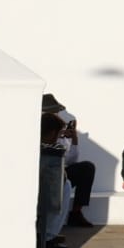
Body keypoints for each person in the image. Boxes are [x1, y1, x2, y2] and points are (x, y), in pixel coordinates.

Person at [43, 93, 97, 228]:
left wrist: (73, 140)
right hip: (44, 170)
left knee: (87, 168)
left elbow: (71, 159)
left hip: (60, 168)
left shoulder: (59, 131)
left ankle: (76, 212)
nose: (56, 115)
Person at [36, 112, 75, 248]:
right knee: (65, 187)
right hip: (43, 196)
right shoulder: (48, 150)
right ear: (52, 133)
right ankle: (47, 237)